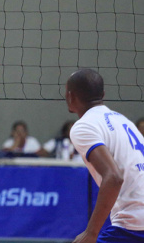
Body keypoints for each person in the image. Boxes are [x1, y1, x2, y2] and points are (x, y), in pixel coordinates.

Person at [66, 68, 144, 243]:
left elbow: (114, 177)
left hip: (133, 226)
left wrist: (91, 233)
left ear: (70, 96)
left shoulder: (84, 126)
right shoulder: (124, 121)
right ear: (102, 94)